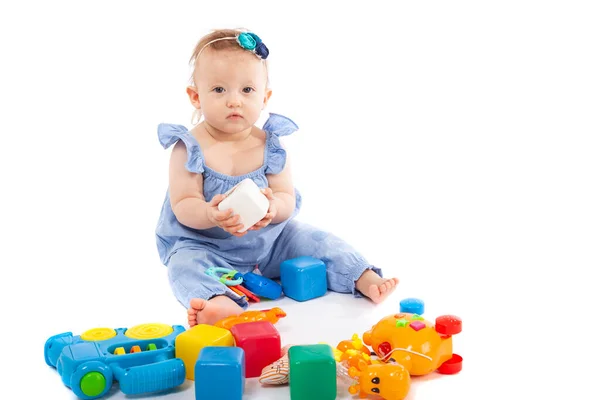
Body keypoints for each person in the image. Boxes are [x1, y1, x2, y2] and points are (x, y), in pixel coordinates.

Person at [156, 28, 399, 327]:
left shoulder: (269, 144)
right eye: (219, 90)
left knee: (315, 239)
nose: (234, 101)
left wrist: (273, 209)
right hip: (206, 246)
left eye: (247, 90)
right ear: (196, 96)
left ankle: (361, 276)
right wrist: (210, 213)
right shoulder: (189, 148)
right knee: (184, 265)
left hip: (270, 241)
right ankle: (215, 301)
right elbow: (183, 204)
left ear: (265, 97)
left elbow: (286, 197)